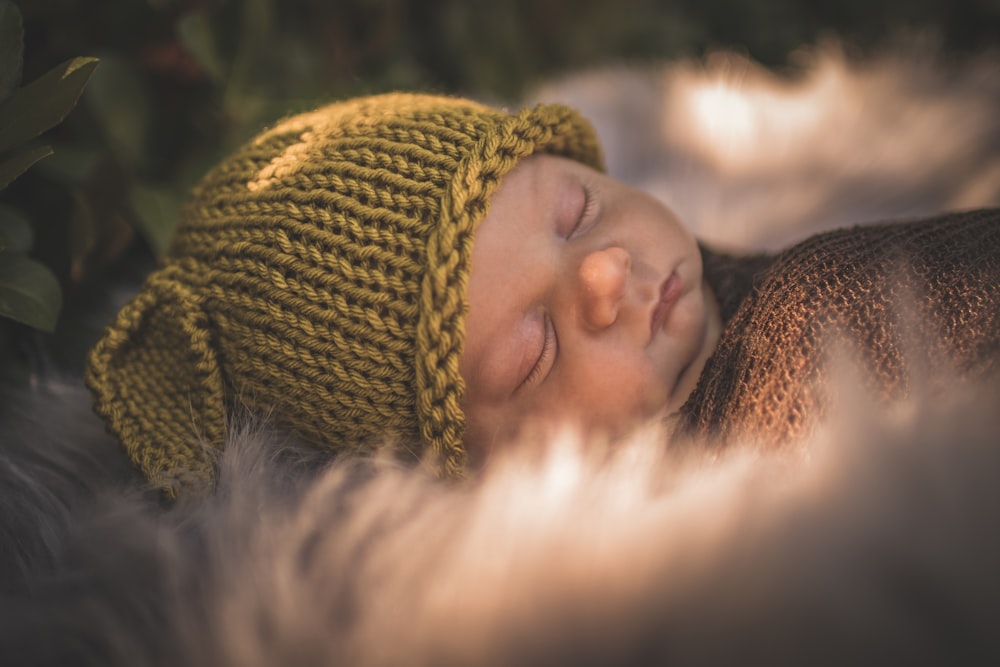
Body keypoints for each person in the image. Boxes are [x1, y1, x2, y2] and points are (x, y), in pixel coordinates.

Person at [85, 92, 1000, 498]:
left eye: (575, 209)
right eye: (535, 349)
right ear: (486, 475)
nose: (605, 277)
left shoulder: (819, 300)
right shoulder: (801, 355)